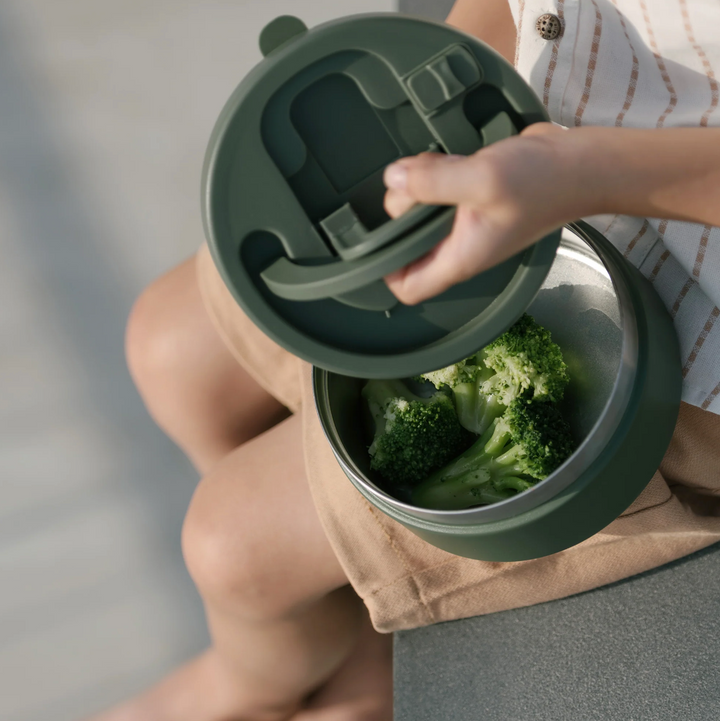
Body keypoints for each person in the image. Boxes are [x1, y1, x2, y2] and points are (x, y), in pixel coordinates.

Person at [90, 0, 720, 719]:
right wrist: (452, 69)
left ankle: (257, 679)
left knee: (228, 549)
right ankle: (338, 607)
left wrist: (583, 174)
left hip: (682, 328)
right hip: (520, 129)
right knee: (169, 347)